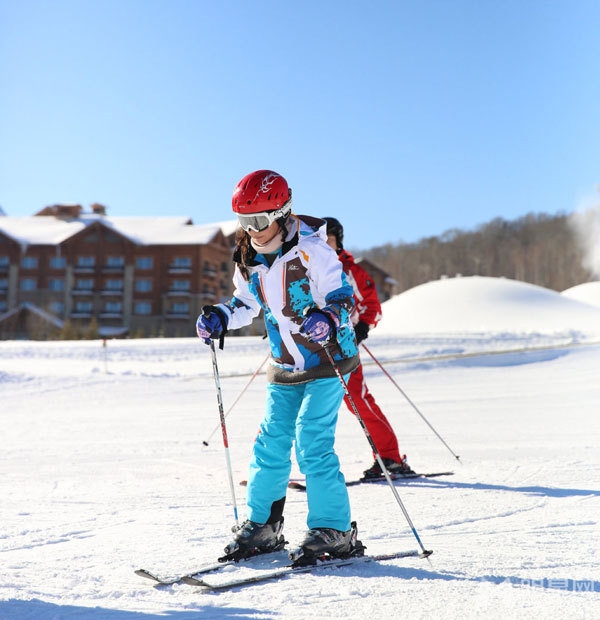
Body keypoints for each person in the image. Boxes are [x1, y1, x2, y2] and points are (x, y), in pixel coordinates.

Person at [196, 170, 364, 563]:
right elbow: (246, 303)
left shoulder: (312, 250)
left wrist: (327, 316)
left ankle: (334, 529)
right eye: (244, 222)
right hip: (285, 363)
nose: (252, 231)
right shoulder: (248, 258)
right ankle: (263, 526)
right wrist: (221, 315)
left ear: (282, 213)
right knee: (270, 442)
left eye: (259, 221)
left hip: (328, 358)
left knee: (311, 440)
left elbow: (343, 299)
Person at [323, 217, 414, 479]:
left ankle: (390, 458)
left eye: (330, 238)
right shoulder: (308, 269)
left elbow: (372, 306)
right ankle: (275, 470)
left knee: (357, 400)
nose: (325, 244)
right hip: (312, 347)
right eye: (320, 239)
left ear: (339, 241)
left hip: (344, 346)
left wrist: (361, 328)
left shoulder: (351, 271)